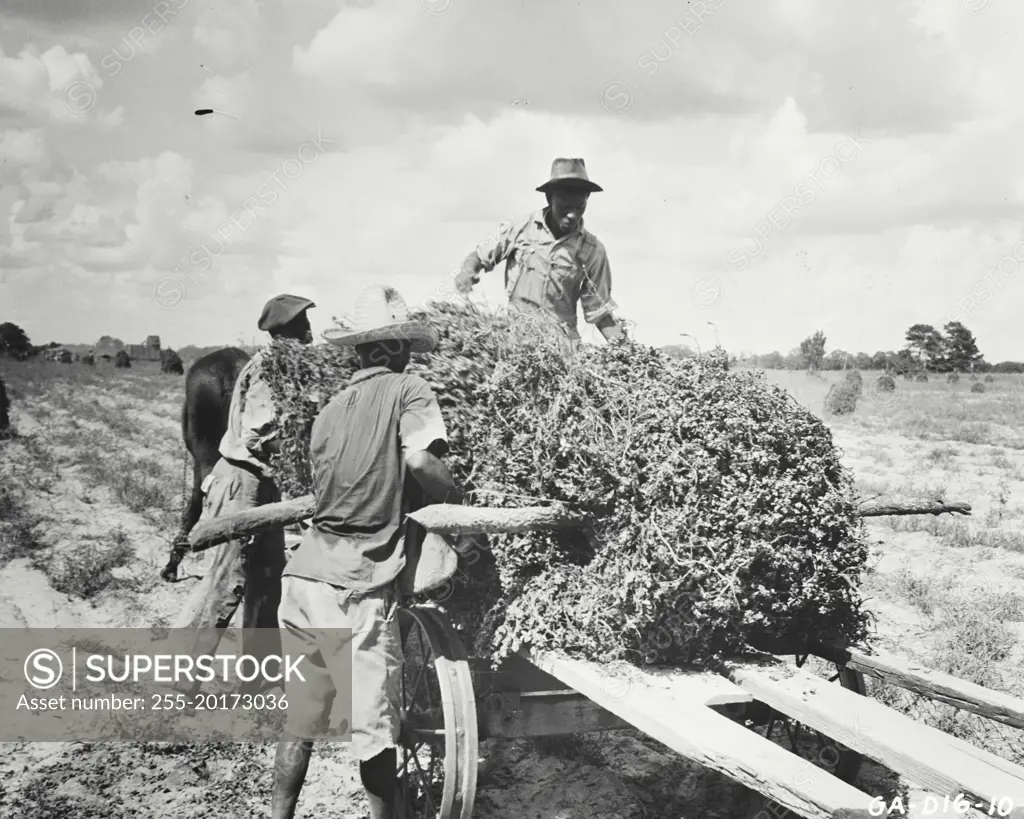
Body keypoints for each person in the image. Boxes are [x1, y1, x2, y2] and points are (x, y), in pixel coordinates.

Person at [272, 285, 466, 819]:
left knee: (302, 720)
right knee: (374, 730)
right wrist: (458, 498)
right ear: (396, 347)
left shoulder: (329, 410)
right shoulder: (410, 389)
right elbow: (422, 464)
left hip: (304, 576)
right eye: (405, 345)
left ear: (358, 351)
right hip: (358, 583)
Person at [172, 293, 316, 694]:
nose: (310, 333)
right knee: (227, 579)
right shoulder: (270, 370)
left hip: (263, 485)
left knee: (267, 579)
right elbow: (258, 434)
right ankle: (183, 677)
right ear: (284, 333)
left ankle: (259, 676)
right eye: (303, 326)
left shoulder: (285, 368)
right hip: (242, 483)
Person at [454, 156, 627, 344]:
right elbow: (479, 257)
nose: (572, 215)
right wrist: (467, 272)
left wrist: (628, 350)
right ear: (550, 197)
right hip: (516, 339)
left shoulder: (592, 251)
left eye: (579, 208)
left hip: (561, 347)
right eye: (566, 207)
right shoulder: (521, 228)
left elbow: (599, 310)